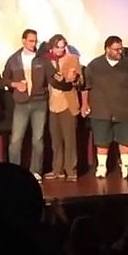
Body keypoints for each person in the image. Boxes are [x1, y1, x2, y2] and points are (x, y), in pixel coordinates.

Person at [80, 36, 128, 181]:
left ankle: (126, 167)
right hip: (101, 110)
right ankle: (102, 167)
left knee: (126, 139)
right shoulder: (95, 65)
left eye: (121, 49)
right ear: (107, 49)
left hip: (125, 110)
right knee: (102, 140)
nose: (119, 52)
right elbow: (86, 87)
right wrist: (85, 104)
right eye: (116, 49)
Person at [2, 29, 52, 178]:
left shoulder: (42, 59)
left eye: (35, 41)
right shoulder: (14, 59)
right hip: (21, 104)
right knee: (16, 139)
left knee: (38, 139)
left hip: (39, 103)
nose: (33, 44)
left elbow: (52, 77)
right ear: (23, 41)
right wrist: (15, 84)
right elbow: (4, 80)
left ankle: (35, 171)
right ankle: (14, 172)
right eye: (30, 41)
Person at [45, 34, 83, 181]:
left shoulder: (72, 59)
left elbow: (80, 81)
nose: (60, 50)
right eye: (57, 47)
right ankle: (57, 170)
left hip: (68, 104)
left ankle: (71, 171)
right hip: (53, 105)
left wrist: (75, 79)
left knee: (69, 140)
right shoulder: (48, 61)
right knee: (56, 140)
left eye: (62, 47)